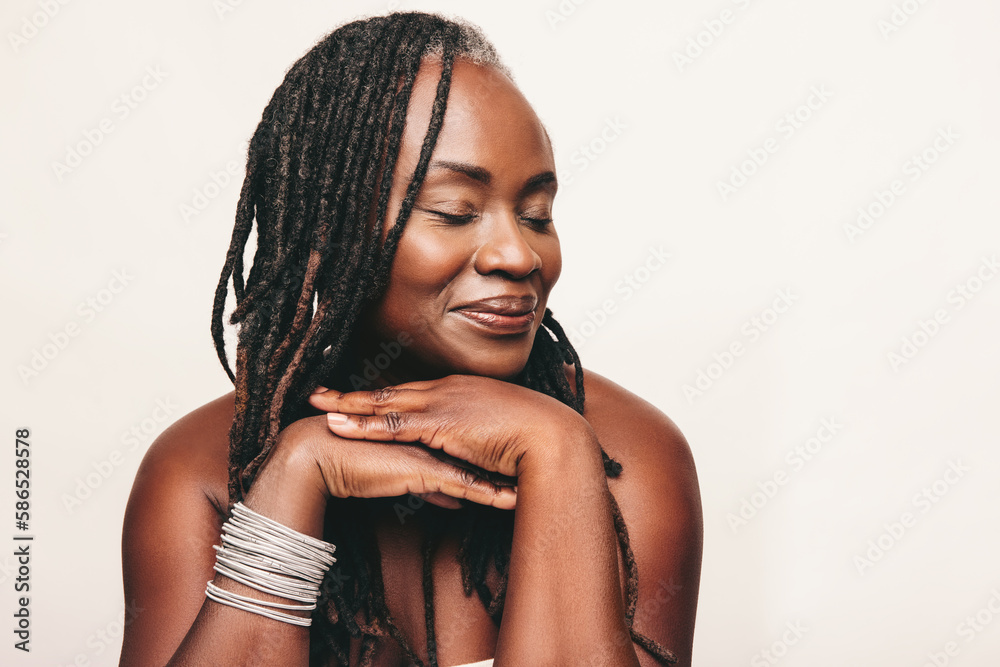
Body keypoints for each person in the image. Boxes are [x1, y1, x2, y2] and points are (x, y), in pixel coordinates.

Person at [119, 11, 702, 667]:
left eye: (537, 213)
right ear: (329, 231)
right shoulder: (197, 474)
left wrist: (558, 449)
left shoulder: (632, 459)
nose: (518, 253)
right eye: (456, 211)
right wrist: (293, 478)